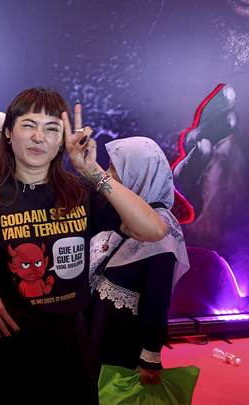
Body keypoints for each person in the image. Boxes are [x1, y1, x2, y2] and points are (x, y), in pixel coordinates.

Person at [0, 87, 168, 403]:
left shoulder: (79, 192)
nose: (39, 137)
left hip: (72, 343)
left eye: (52, 128)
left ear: (63, 139)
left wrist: (93, 170)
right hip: (8, 346)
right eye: (28, 125)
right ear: (8, 132)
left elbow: (154, 230)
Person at [87, 136, 190, 388]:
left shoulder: (160, 229)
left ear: (138, 174)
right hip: (100, 328)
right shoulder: (117, 212)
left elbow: (157, 299)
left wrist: (150, 357)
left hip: (124, 338)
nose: (108, 174)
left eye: (115, 168)